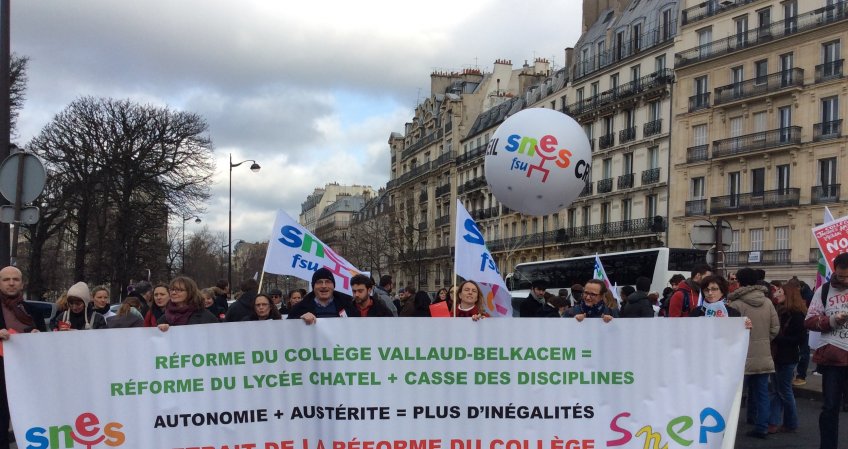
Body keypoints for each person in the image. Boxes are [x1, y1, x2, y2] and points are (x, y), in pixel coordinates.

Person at [727, 267, 779, 439]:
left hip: (741, 356)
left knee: (734, 395)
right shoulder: (768, 302)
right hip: (763, 355)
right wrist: (764, 341)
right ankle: (761, 426)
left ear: (739, 282)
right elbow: (775, 328)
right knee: (762, 393)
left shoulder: (736, 304)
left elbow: (729, 333)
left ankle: (728, 428)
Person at [805, 253, 848, 449]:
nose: (844, 280)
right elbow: (809, 320)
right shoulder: (823, 291)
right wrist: (831, 321)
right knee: (830, 407)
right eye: (840, 276)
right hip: (832, 357)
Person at [0, 266, 46, 449]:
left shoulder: (33, 310)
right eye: (6, 279)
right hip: (2, 375)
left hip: (29, 376)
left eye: (15, 279)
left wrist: (38, 336)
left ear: (22, 283)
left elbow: (46, 341)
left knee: (30, 417)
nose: (11, 283)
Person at [768, 279, 805, 434]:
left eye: (781, 292)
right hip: (778, 355)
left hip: (787, 356)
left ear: (788, 295)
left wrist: (777, 338)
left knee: (784, 391)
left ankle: (790, 422)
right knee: (777, 390)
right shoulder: (781, 312)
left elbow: (798, 339)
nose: (777, 294)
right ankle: (774, 422)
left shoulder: (797, 315)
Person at [287, 268, 359, 324]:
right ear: (313, 286)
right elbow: (288, 331)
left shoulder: (349, 305)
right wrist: (299, 320)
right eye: (319, 282)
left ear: (333, 285)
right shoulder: (299, 308)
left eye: (328, 282)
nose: (324, 286)